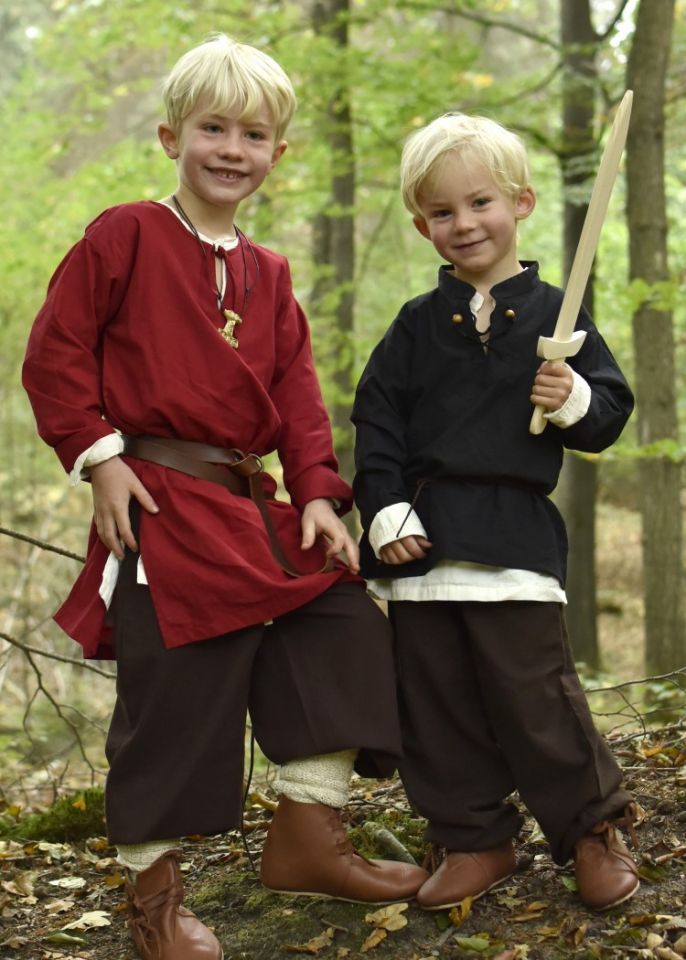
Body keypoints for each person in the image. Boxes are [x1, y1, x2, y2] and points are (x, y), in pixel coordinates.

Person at [23, 34, 427, 960]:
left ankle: (308, 835)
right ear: (173, 134)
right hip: (156, 502)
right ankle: (155, 896)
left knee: (345, 621)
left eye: (253, 133)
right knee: (173, 692)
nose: (231, 149)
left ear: (277, 154)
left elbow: (295, 395)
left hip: (253, 506)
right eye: (213, 127)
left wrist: (322, 495)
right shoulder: (123, 234)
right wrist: (100, 457)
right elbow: (55, 357)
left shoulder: (272, 272)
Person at [352, 111, 639, 914]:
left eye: (479, 203)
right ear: (421, 225)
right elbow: (375, 425)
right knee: (436, 707)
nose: (463, 224)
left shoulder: (559, 313)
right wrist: (382, 512)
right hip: (425, 541)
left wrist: (574, 394)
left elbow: (610, 414)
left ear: (521, 203)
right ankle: (475, 837)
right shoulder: (414, 326)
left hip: (514, 540)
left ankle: (590, 831)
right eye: (442, 212)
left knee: (535, 698)